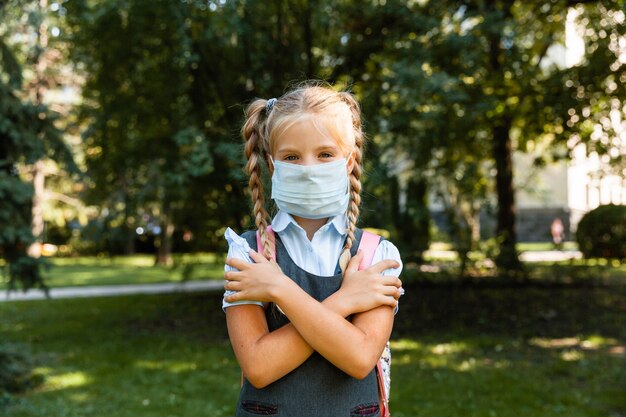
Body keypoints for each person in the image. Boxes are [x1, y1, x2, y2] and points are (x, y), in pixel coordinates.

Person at [222, 82, 404, 417]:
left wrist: (277, 288)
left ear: (348, 162)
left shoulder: (376, 255)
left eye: (325, 154)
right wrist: (346, 301)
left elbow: (359, 358)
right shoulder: (248, 254)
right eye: (292, 157)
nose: (308, 169)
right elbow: (260, 367)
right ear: (272, 165)